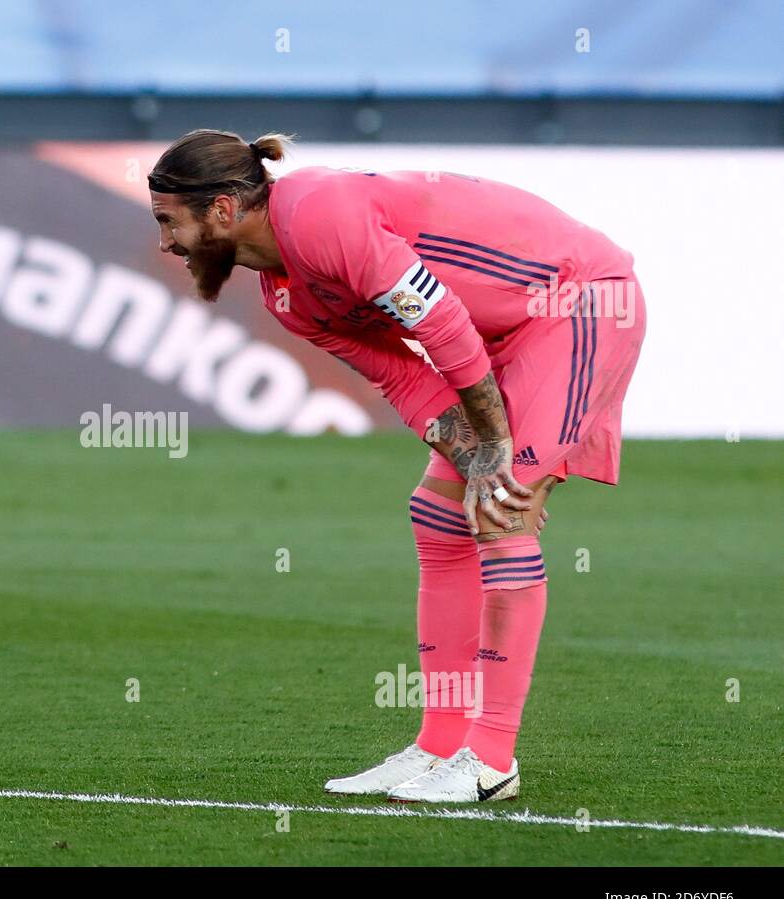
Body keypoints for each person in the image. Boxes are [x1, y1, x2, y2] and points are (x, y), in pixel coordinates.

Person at [148, 129, 646, 802]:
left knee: (500, 513)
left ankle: (492, 759)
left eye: (169, 222)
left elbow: (439, 322)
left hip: (580, 301)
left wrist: (494, 451)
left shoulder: (322, 216)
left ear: (224, 211)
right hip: (505, 334)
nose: (164, 243)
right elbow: (406, 380)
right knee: (439, 514)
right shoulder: (286, 297)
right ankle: (441, 744)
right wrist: (472, 457)